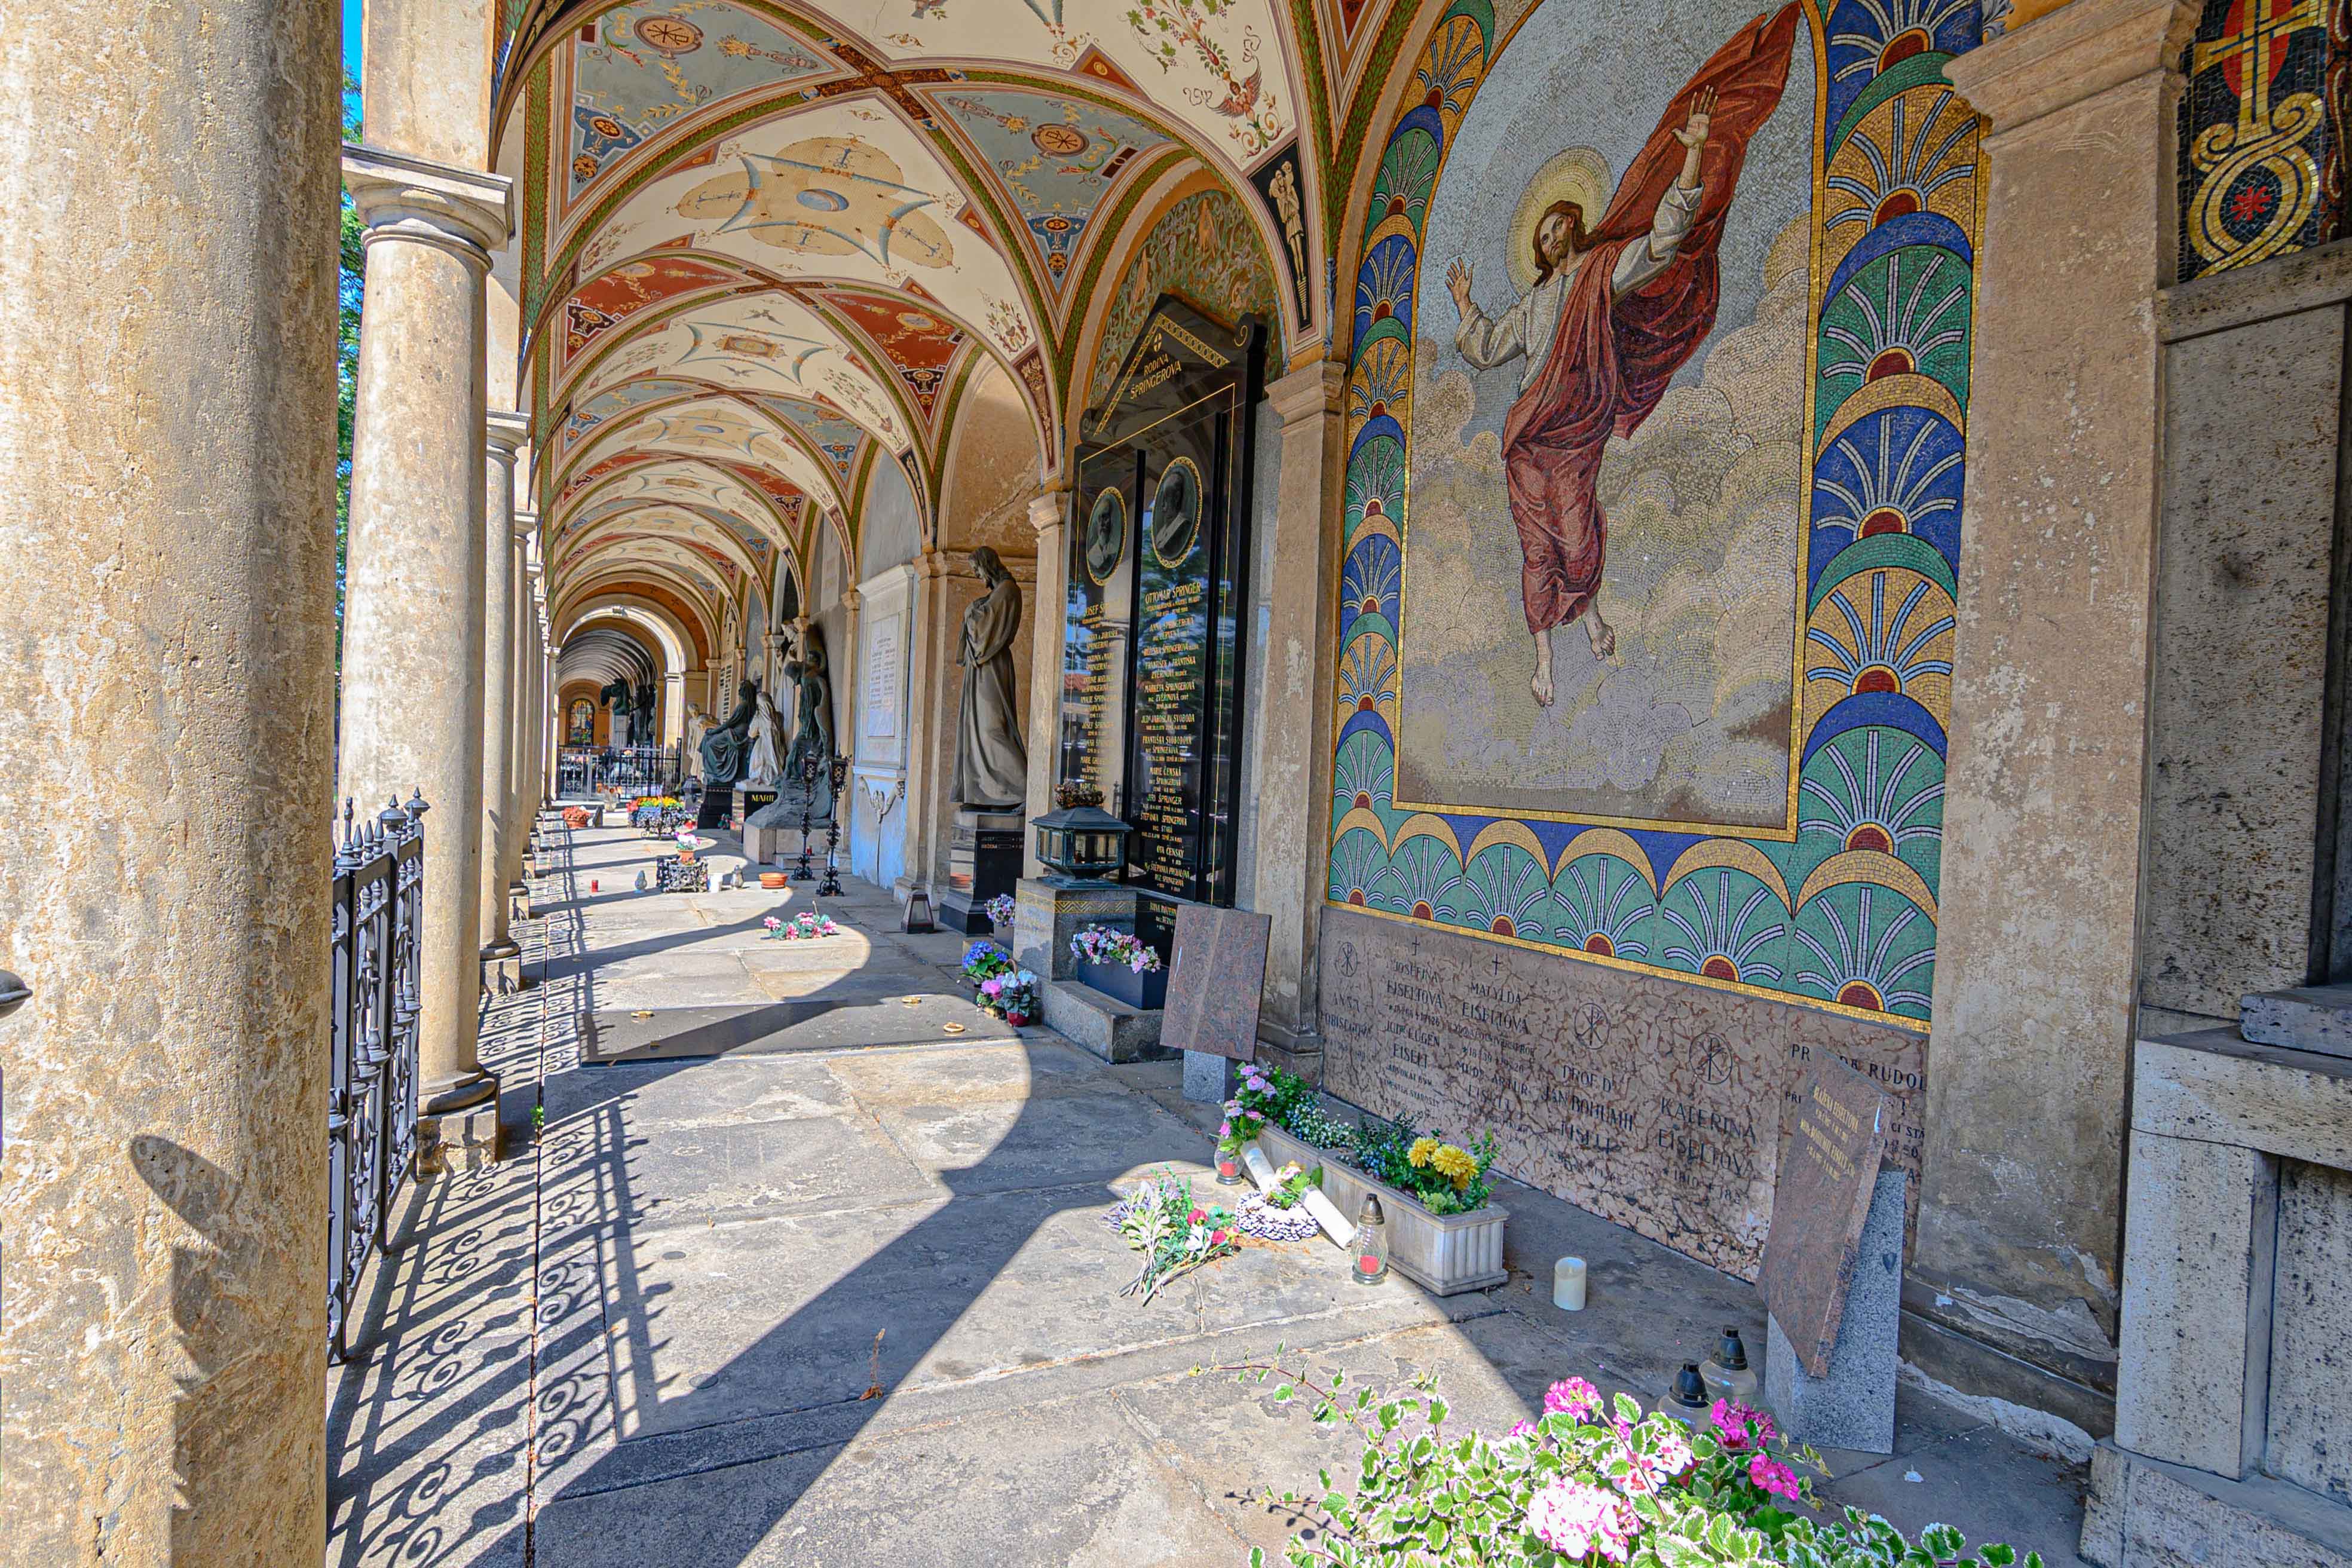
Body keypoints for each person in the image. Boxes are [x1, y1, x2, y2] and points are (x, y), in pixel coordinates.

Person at [1443, 4, 1798, 706]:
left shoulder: (1606, 271)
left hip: (1578, 430)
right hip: (1529, 437)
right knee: (1534, 547)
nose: (1547, 239)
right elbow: (1487, 347)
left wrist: (1693, 149)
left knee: (1577, 533)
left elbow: (1665, 240)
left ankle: (1593, 615)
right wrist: (1462, 304)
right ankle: (1544, 661)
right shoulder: (1537, 302)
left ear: (1572, 225)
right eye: (1540, 236)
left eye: (1554, 227)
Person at [951, 546, 1029, 810]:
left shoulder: (1008, 590)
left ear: (988, 565)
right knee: (979, 730)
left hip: (992, 666)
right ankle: (988, 793)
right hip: (983, 669)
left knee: (993, 728)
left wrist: (971, 611)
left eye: (977, 570)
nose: (977, 576)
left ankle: (1025, 788)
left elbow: (984, 633)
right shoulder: (997, 593)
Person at [698, 679, 758, 786]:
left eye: (741, 689)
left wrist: (714, 731)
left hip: (737, 733)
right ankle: (711, 772)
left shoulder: (743, 705)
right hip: (737, 731)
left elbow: (730, 723)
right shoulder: (749, 705)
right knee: (707, 739)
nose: (739, 691)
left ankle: (717, 773)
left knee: (711, 744)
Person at [745, 690, 783, 787]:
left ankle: (762, 777)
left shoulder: (758, 718)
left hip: (762, 746)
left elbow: (751, 734)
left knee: (760, 765)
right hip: (777, 746)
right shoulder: (779, 716)